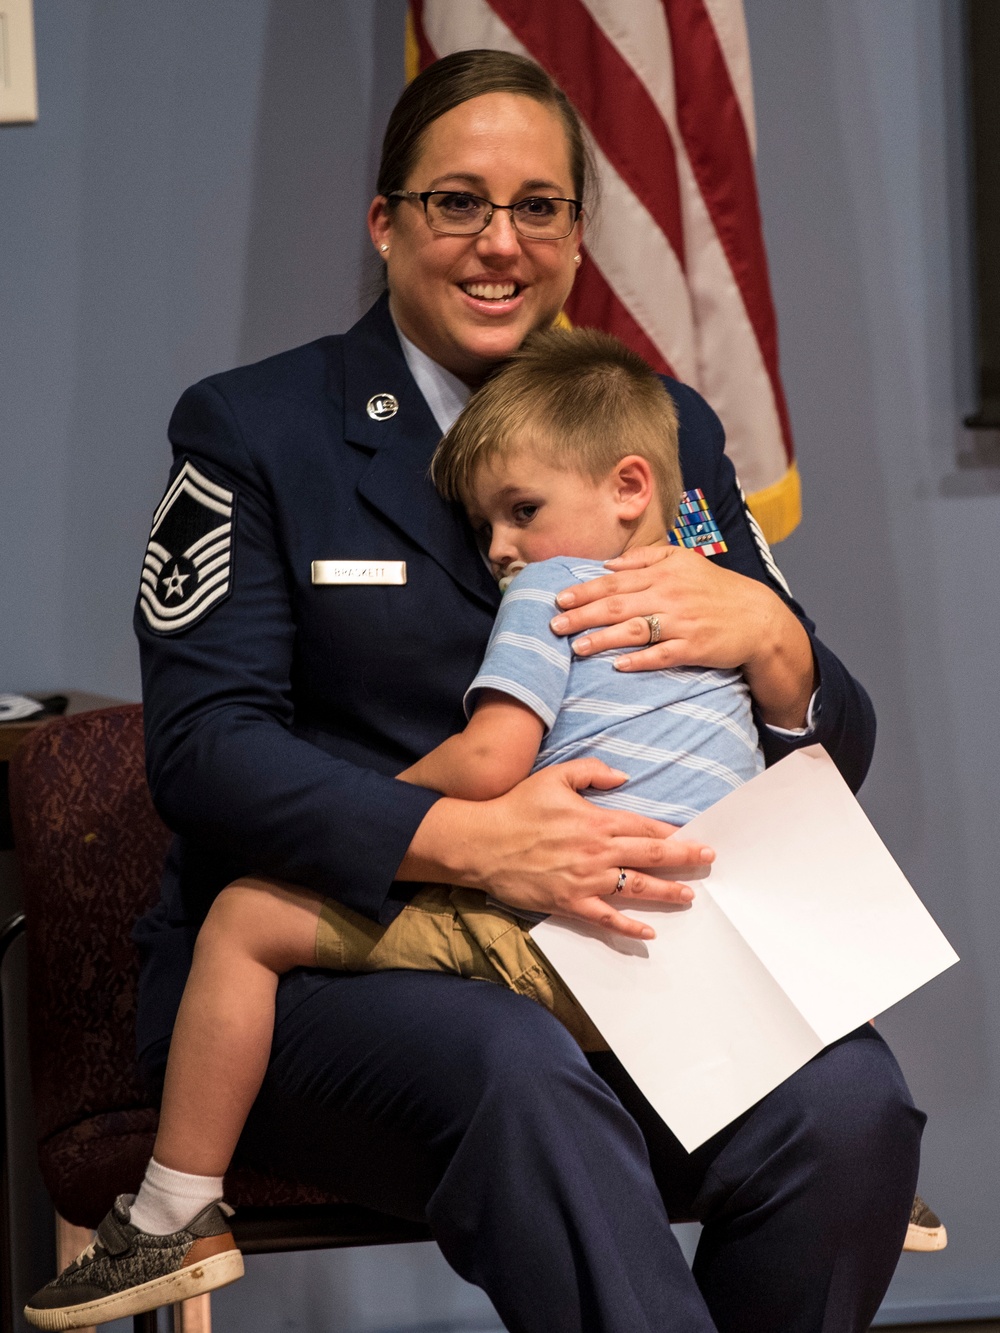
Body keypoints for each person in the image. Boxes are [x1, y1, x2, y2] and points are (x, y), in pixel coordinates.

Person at [26, 50, 922, 1333]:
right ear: (386, 223)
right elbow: (206, 757)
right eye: (458, 201)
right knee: (522, 1077)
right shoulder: (257, 429)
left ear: (575, 232)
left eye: (539, 207)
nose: (500, 243)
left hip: (637, 950)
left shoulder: (657, 426)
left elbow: (828, 749)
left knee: (852, 1107)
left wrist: (778, 652)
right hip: (342, 965)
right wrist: (471, 840)